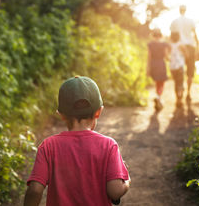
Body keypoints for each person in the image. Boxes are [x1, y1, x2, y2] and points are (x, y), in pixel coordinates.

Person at [24, 76, 130, 206]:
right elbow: (115, 191)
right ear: (99, 112)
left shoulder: (48, 146)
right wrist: (127, 180)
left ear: (61, 115)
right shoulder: (108, 145)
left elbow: (35, 190)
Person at [170, 5, 198, 102]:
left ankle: (179, 95)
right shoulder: (191, 21)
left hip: (179, 46)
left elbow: (172, 36)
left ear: (179, 10)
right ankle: (188, 93)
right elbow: (195, 34)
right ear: (185, 10)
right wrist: (198, 47)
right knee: (190, 72)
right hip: (190, 46)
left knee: (179, 70)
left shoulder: (174, 22)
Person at [147, 28, 170, 111]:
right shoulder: (164, 44)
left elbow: (149, 57)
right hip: (161, 64)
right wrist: (172, 60)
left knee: (157, 82)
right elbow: (166, 56)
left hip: (153, 64)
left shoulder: (150, 44)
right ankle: (158, 97)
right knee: (162, 83)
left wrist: (148, 69)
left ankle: (158, 98)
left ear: (153, 35)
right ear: (160, 35)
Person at [169, 31, 185, 108]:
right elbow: (187, 54)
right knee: (180, 83)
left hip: (172, 67)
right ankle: (180, 98)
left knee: (176, 83)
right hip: (180, 66)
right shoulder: (181, 45)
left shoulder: (170, 46)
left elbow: (167, 55)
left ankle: (177, 99)